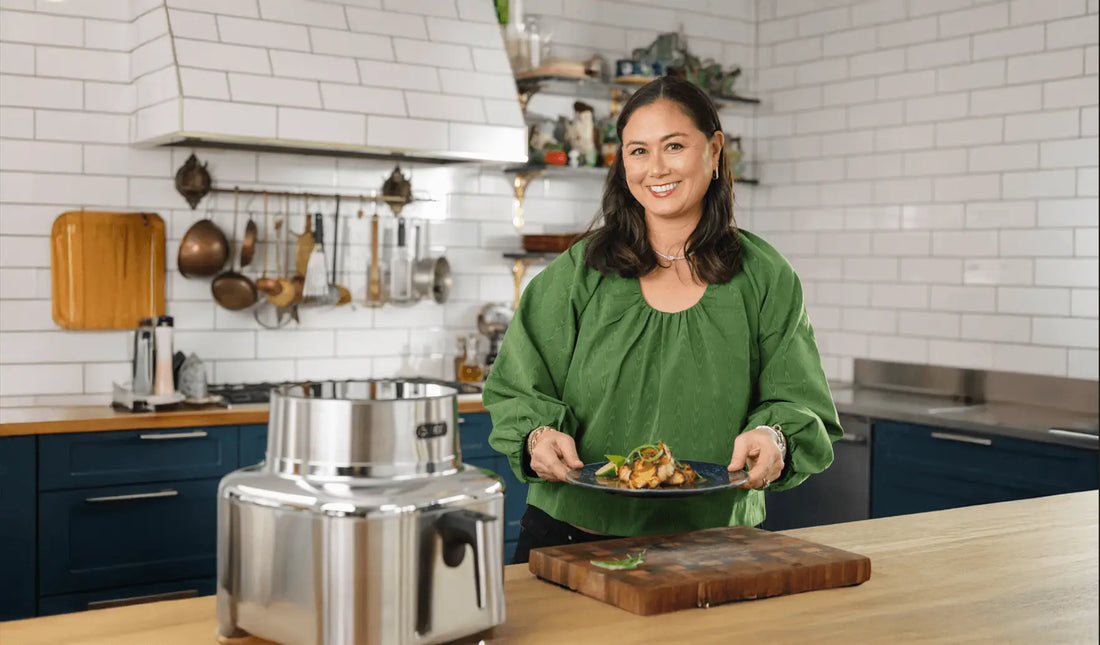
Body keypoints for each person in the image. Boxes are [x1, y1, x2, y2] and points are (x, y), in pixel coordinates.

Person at [483, 76, 842, 564]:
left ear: (713, 151)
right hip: (570, 538)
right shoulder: (579, 272)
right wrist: (538, 436)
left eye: (674, 146)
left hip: (719, 546)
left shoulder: (766, 277)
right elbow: (518, 388)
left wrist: (774, 436)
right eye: (637, 151)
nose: (656, 169)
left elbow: (799, 402)